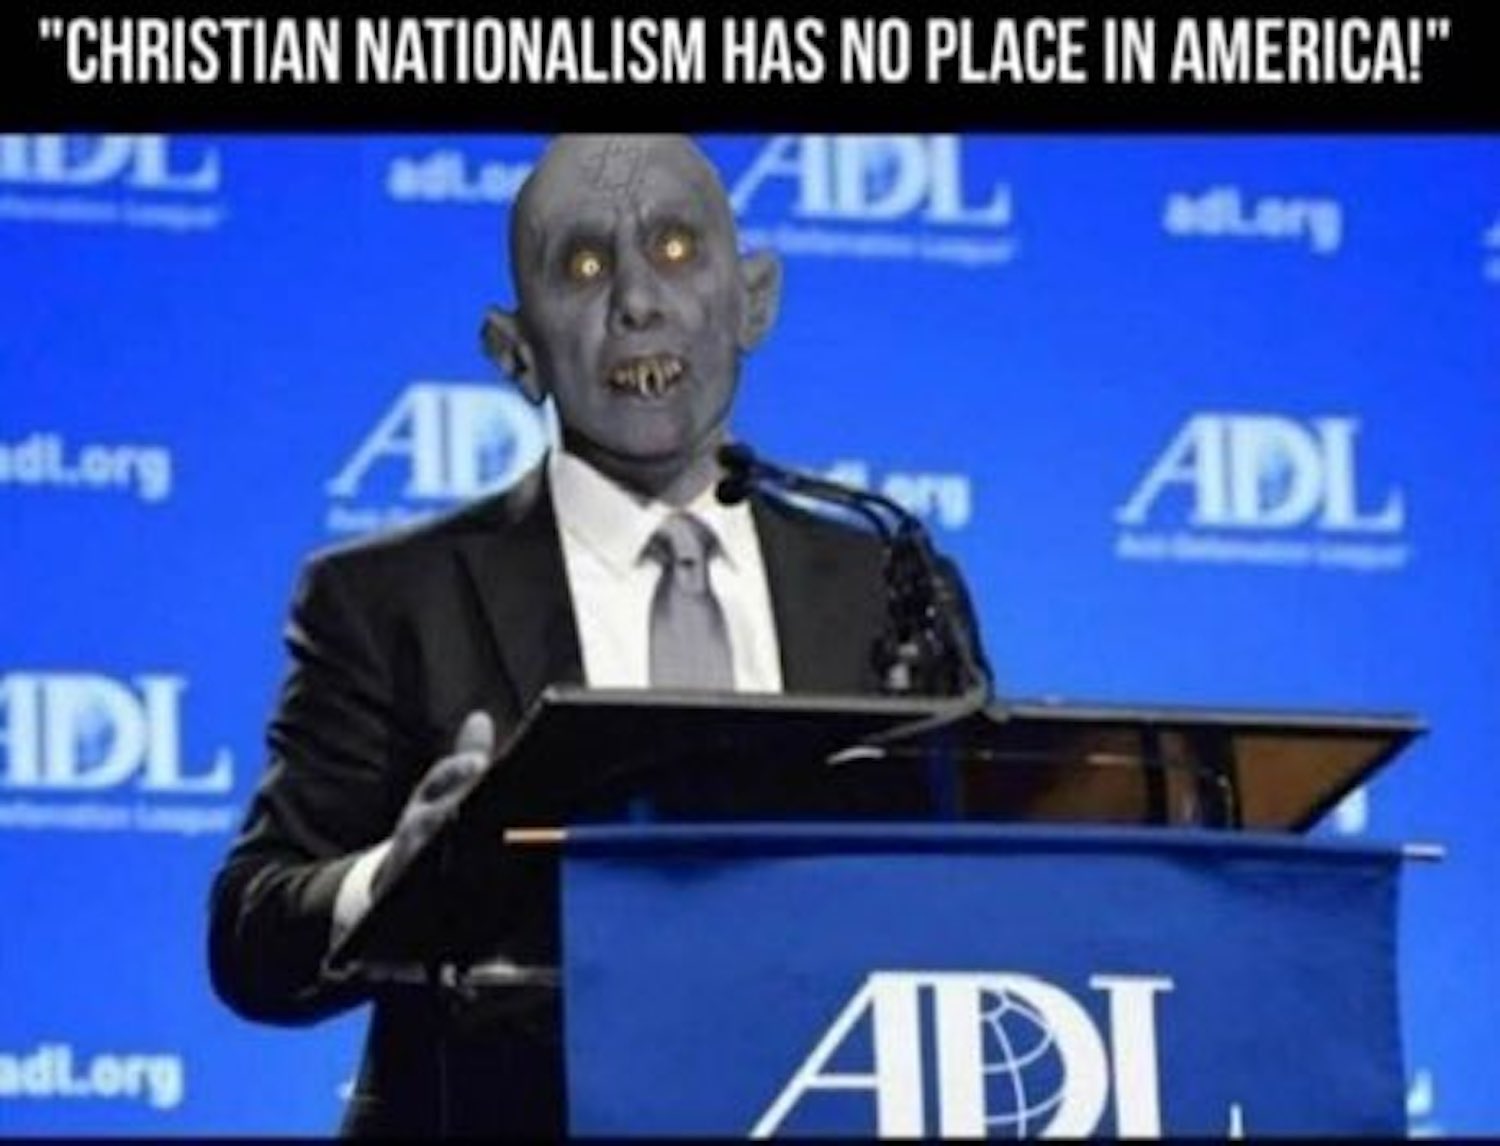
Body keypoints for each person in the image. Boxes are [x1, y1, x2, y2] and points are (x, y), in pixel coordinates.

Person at [208, 134, 987, 1137]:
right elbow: (251, 934)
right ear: (516, 351)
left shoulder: (890, 586)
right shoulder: (387, 600)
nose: (637, 300)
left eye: (675, 248)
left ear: (754, 299)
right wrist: (387, 884)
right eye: (581, 265)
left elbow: (980, 901)